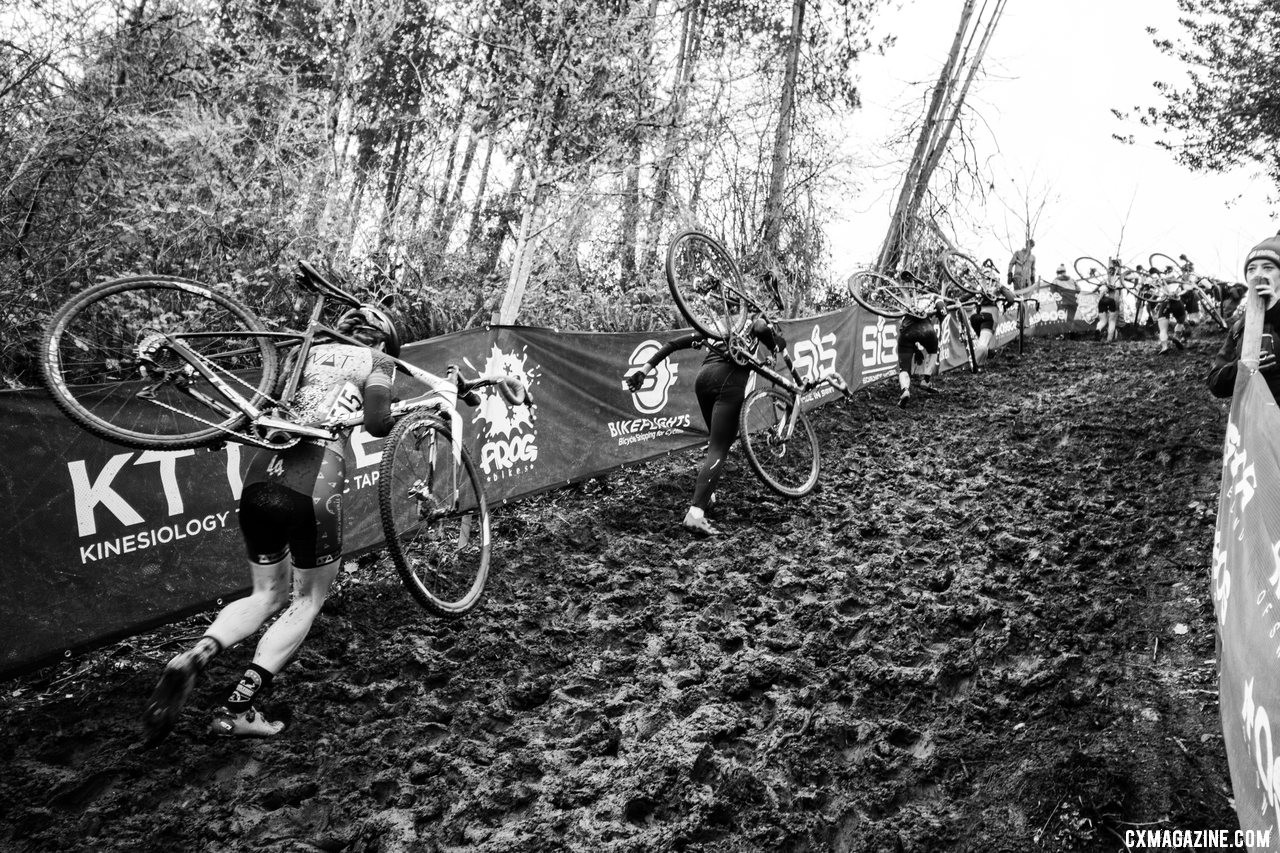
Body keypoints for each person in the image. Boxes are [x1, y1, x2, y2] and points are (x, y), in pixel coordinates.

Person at [141, 303, 403, 743]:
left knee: (265, 593)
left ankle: (196, 656)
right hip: (316, 482)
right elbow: (378, 424)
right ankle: (237, 709)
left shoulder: (303, 353)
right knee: (307, 599)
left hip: (261, 479)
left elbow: (257, 408)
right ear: (380, 340)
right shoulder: (376, 360)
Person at [623, 315, 785, 536]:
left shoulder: (717, 331)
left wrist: (644, 370)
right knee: (720, 447)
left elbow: (673, 345)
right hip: (729, 381)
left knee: (714, 443)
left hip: (704, 380)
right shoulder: (753, 327)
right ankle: (695, 514)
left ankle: (707, 495)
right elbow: (760, 326)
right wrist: (774, 346)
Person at [1209, 236, 1280, 400]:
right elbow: (1215, 383)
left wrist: (1276, 310)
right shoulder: (1240, 326)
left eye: (1268, 268)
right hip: (1248, 420)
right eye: (1251, 269)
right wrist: (1243, 368)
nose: (1258, 274)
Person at [895, 292, 946, 408]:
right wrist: (942, 314)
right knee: (933, 351)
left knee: (904, 369)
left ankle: (905, 390)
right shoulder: (933, 297)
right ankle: (926, 380)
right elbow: (943, 311)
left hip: (907, 332)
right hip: (926, 329)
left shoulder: (909, 300)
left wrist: (915, 349)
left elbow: (902, 324)